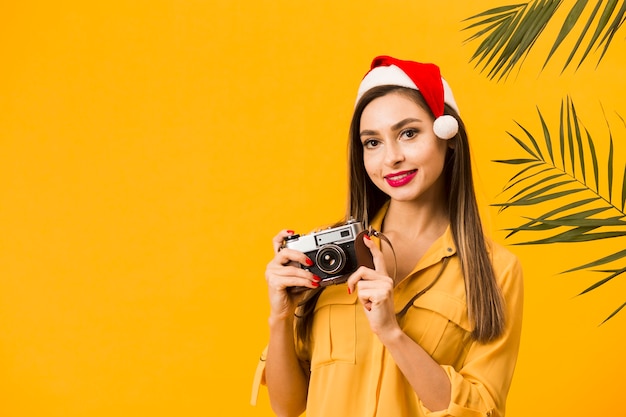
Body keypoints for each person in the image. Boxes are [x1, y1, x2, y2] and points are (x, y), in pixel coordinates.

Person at [251, 56, 524, 417]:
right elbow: (287, 406)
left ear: (448, 137)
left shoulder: (496, 272)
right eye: (373, 143)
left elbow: (481, 410)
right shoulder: (332, 256)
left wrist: (391, 332)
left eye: (408, 133)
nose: (391, 158)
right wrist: (279, 317)